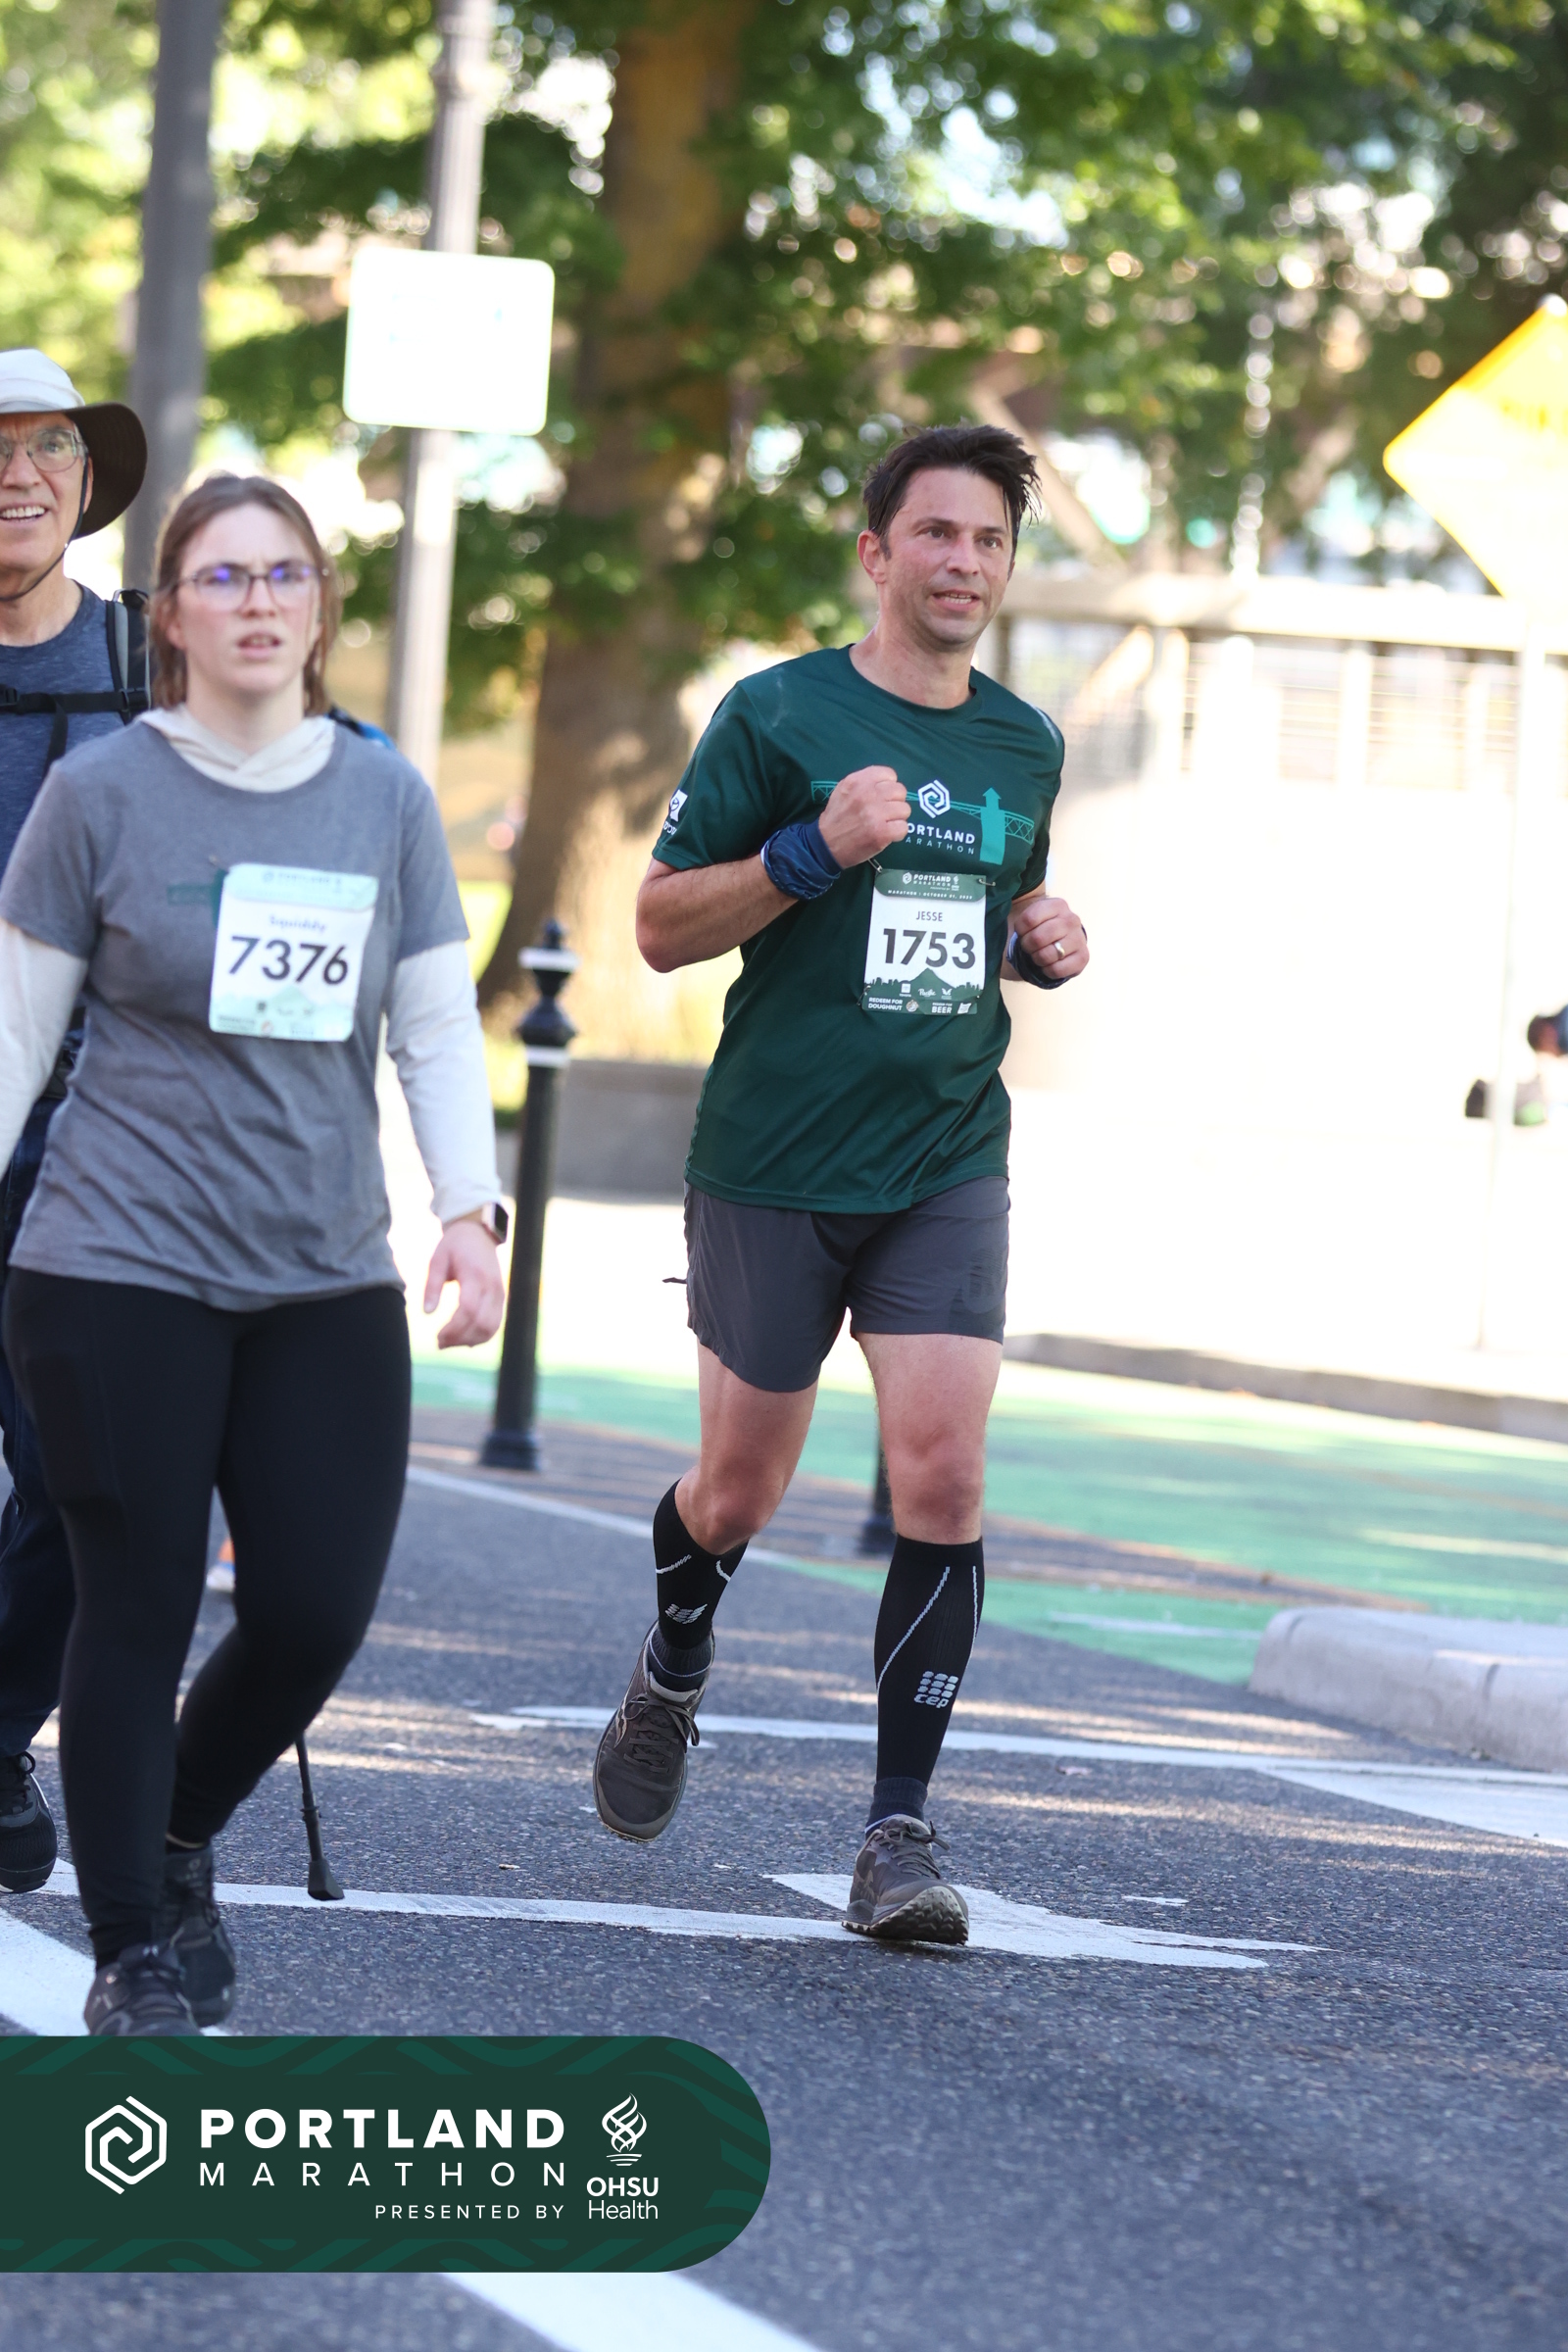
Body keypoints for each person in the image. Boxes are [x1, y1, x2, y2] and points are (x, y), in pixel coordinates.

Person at [0, 471, 508, 2033]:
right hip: (113, 1258)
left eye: (284, 573)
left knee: (312, 1609)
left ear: (322, 607)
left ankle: (173, 1824)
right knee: (135, 1597)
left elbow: (434, 1026)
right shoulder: (99, 796)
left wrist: (471, 1212)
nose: (257, 601)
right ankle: (131, 1952)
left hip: (320, 1270)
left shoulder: (384, 799)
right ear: (171, 613)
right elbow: (14, 1036)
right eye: (221, 577)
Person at [593, 423, 1088, 1944]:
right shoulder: (779, 712)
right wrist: (809, 849)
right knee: (737, 1490)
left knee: (943, 1473)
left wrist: (1037, 940)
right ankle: (677, 1659)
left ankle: (896, 1834)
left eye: (990, 540)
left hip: (945, 1152)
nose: (965, 562)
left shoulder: (1025, 745)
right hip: (776, 1154)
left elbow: (981, 911)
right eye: (936, 533)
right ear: (877, 555)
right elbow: (660, 926)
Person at [0, 348, 149, 1901]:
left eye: (47, 446)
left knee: (75, 1474)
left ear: (86, 482)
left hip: (97, 1140)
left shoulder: (152, 673)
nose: (16, 475)